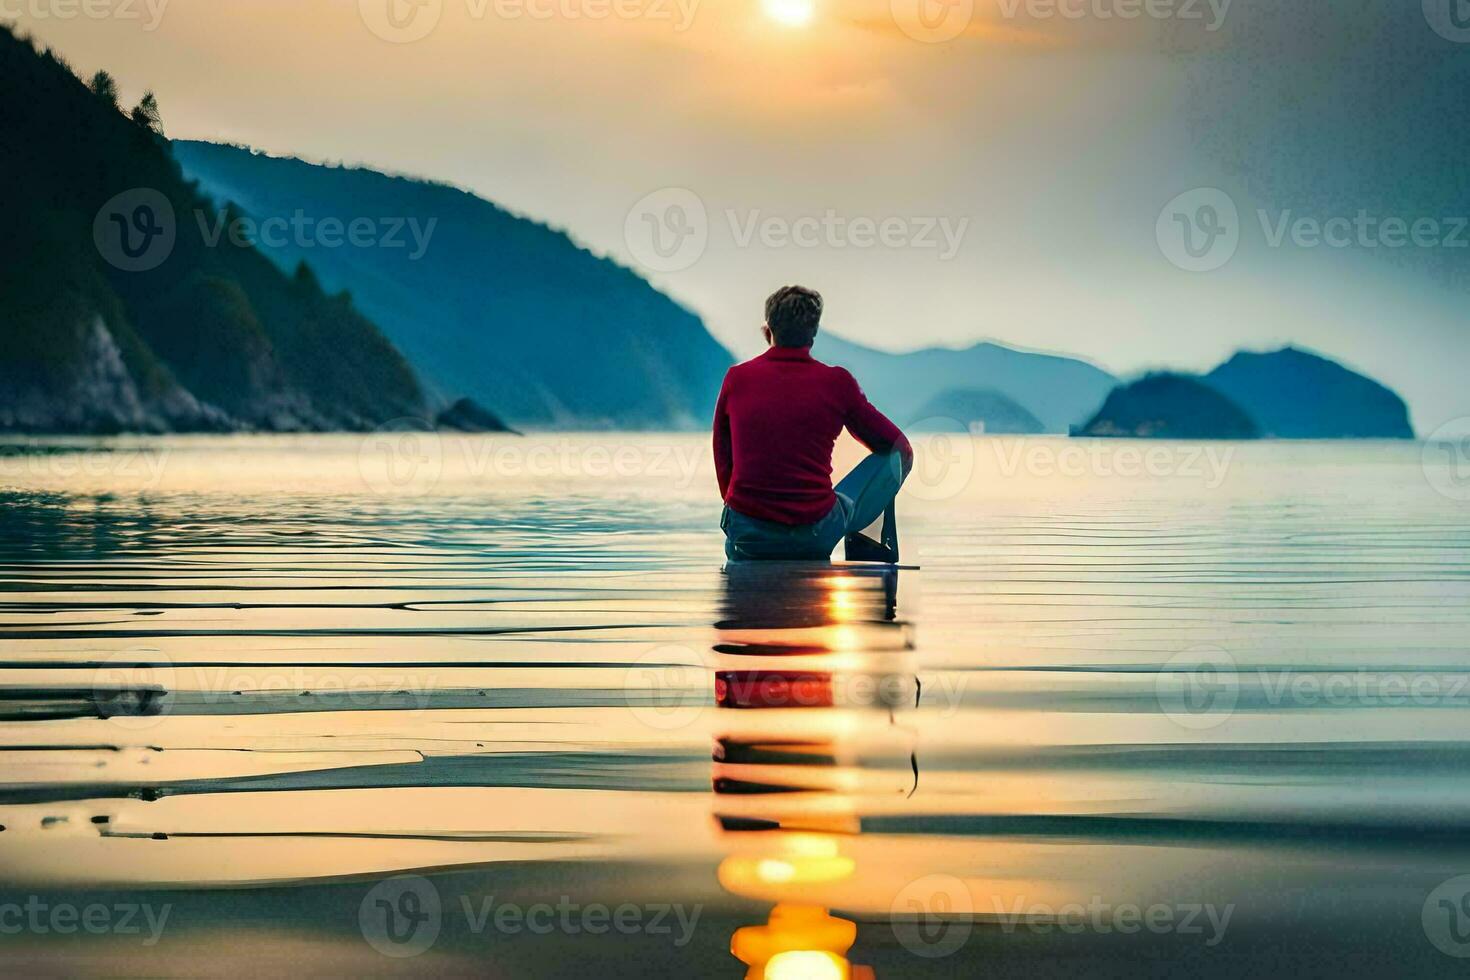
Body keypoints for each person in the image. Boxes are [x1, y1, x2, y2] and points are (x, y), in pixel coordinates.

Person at [712, 285, 914, 563]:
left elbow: (723, 458)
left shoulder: (737, 379)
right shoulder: (836, 383)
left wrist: (744, 510)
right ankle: (869, 550)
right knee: (893, 459)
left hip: (748, 538)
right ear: (814, 334)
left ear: (768, 330)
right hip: (814, 536)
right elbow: (899, 447)